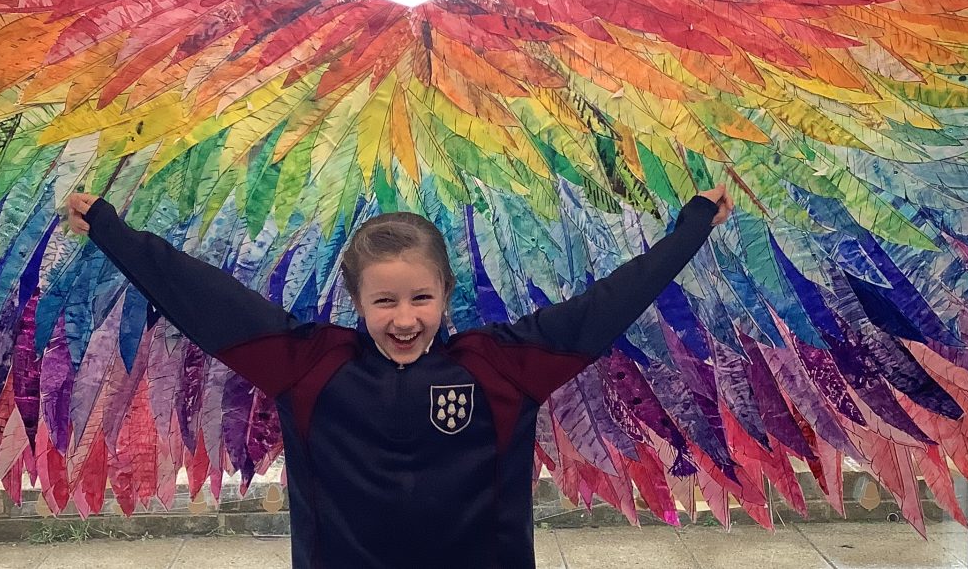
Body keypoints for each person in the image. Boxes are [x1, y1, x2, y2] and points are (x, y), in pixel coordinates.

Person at [66, 186, 732, 569]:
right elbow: (198, 294)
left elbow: (611, 302)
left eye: (421, 298)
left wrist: (692, 226)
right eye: (385, 303)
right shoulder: (308, 365)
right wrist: (108, 229)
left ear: (445, 293)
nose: (406, 319)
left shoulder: (501, 366)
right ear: (357, 303)